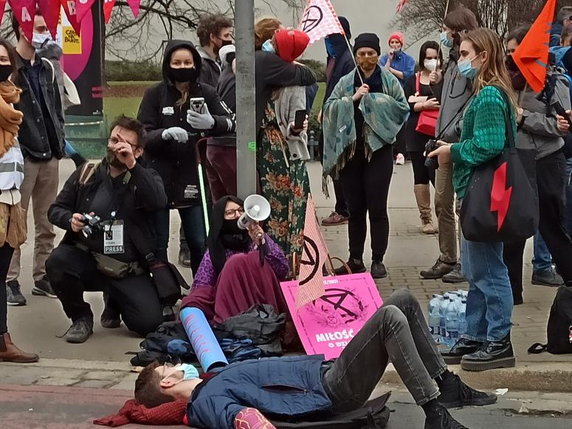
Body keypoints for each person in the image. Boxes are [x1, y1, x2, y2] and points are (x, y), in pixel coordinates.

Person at [136, 289, 497, 429]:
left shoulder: (213, 381)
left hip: (324, 373)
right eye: (171, 367)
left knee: (401, 301)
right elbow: (239, 420)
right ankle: (435, 412)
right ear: (168, 382)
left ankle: (447, 385)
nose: (179, 365)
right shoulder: (204, 400)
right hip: (328, 389)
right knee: (389, 319)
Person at [428, 28, 517, 371]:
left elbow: (489, 146)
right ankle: (477, 334)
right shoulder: (484, 93)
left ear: (483, 56)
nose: (460, 60)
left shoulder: (489, 96)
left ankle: (499, 340)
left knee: (489, 270)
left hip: (485, 195)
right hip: (477, 193)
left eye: (465, 54)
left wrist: (452, 150)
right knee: (475, 269)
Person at [45, 116, 168, 344]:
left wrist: (132, 165)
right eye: (113, 140)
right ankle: (81, 317)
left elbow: (158, 201)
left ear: (138, 151)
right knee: (58, 262)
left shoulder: (145, 177)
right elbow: (55, 209)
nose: (116, 147)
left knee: (148, 324)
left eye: (124, 144)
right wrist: (70, 220)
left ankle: (115, 301)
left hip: (126, 267)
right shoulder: (87, 172)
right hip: (89, 259)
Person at [137, 40, 236, 275]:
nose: (183, 67)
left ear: (196, 64)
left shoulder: (207, 92)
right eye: (177, 62)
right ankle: (163, 293)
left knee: (199, 241)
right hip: (158, 176)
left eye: (188, 62)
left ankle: (202, 289)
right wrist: (164, 134)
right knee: (158, 243)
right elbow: (142, 134)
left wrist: (213, 123)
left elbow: (232, 121)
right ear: (168, 65)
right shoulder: (155, 94)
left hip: (194, 174)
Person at [323, 33, 409, 279]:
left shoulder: (389, 80)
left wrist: (374, 101)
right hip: (352, 153)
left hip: (379, 152)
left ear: (378, 54)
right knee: (355, 209)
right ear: (356, 55)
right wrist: (352, 99)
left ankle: (378, 259)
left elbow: (402, 109)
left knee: (377, 208)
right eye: (361, 53)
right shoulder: (347, 80)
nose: (366, 58)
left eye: (371, 53)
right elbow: (329, 107)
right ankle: (355, 258)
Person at [503, 26, 570, 305]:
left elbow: (561, 126)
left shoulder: (553, 81)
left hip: (545, 162)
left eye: (514, 50)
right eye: (507, 51)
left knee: (552, 227)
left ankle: (569, 280)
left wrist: (523, 117)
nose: (509, 56)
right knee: (513, 231)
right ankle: (511, 292)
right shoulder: (505, 79)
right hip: (515, 160)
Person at [6, 13, 65, 305]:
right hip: (23, 155)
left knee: (47, 221)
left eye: (47, 28)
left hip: (50, 154)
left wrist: (61, 143)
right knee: (15, 223)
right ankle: (9, 279)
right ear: (22, 29)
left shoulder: (47, 69)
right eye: (40, 28)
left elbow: (55, 109)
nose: (45, 34)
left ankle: (42, 275)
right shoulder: (9, 67)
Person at [420, 6, 478, 283]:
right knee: (441, 201)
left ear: (459, 30)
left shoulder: (472, 64)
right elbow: (448, 102)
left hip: (460, 143)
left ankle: (466, 262)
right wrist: (437, 84)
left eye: (447, 30)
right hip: (443, 142)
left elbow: (470, 104)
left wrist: (455, 131)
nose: (444, 34)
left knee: (461, 206)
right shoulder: (454, 63)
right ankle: (447, 256)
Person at [180, 196, 289, 324]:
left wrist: (262, 243)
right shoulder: (215, 251)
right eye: (230, 213)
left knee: (253, 258)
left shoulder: (259, 240)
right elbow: (201, 287)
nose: (238, 215)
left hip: (264, 305)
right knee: (236, 262)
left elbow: (282, 269)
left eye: (241, 210)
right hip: (232, 308)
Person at [257, 28, 312, 269]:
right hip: (262, 148)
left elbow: (295, 120)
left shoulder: (294, 80)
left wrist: (296, 128)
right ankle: (268, 258)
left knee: (288, 212)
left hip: (284, 153)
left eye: (274, 43)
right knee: (268, 207)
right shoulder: (266, 71)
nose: (268, 44)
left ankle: (288, 264)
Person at [0, 38, 38, 362]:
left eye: (3, 59)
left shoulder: (10, 103)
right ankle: (3, 341)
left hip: (10, 200)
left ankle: (2, 340)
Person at [403, 41, 443, 234]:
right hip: (416, 132)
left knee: (439, 175)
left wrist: (420, 99)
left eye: (435, 57)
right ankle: (425, 218)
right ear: (422, 58)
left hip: (438, 133)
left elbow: (446, 102)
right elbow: (405, 102)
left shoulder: (444, 80)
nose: (432, 61)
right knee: (420, 174)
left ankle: (445, 216)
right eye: (428, 57)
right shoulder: (413, 80)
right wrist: (422, 104)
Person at [320, 16, 353, 227]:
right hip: (330, 117)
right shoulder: (333, 56)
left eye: (332, 35)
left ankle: (345, 208)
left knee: (340, 167)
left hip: (340, 121)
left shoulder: (347, 59)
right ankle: (343, 205)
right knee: (335, 168)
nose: (328, 40)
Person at [379, 32, 416, 165]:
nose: (394, 45)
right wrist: (389, 60)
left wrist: (392, 71)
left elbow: (406, 75)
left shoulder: (409, 60)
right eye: (392, 43)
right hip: (387, 93)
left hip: (403, 93)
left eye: (397, 43)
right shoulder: (384, 58)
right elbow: (382, 72)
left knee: (402, 122)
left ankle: (401, 152)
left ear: (401, 44)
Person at [206, 44, 237, 201]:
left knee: (220, 203)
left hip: (215, 145)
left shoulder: (223, 76)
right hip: (230, 145)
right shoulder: (236, 77)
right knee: (240, 200)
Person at [195, 13, 234, 88]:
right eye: (226, 35)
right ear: (212, 37)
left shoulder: (219, 62)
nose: (230, 39)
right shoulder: (200, 66)